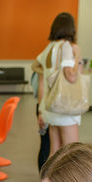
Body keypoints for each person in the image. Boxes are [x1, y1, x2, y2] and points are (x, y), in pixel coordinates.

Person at [36, 12, 82, 157]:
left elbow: (41, 79)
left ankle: (48, 180)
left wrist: (41, 111)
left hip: (51, 107)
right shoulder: (66, 46)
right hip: (65, 108)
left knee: (54, 151)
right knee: (70, 153)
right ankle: (65, 181)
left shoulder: (49, 48)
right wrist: (78, 57)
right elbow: (71, 76)